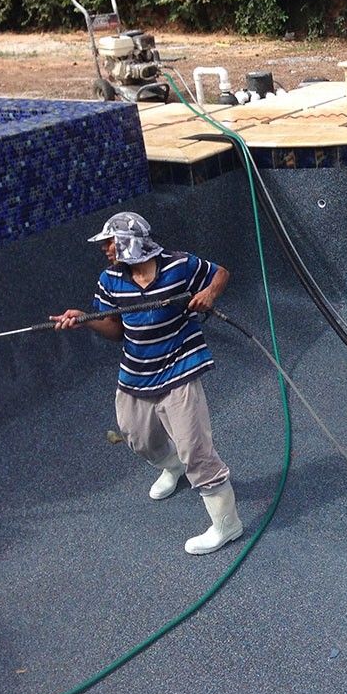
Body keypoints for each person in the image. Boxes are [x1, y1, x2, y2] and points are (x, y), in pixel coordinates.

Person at [51, 211, 242, 555]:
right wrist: (84, 320)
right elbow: (114, 330)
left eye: (110, 242)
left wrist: (210, 295)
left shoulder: (179, 265)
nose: (105, 249)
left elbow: (221, 274)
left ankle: (227, 525)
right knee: (137, 437)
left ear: (130, 242)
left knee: (195, 447)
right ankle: (172, 467)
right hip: (136, 371)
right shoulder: (110, 279)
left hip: (179, 366)